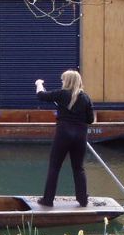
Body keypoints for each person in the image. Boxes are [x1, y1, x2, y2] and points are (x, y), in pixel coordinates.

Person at [35, 69, 94, 208]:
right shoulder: (85, 98)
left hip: (63, 134)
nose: (61, 82)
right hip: (80, 135)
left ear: (67, 82)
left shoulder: (61, 94)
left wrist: (39, 83)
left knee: (54, 167)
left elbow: (41, 95)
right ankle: (83, 200)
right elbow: (90, 120)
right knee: (78, 168)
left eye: (63, 80)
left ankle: (48, 200)